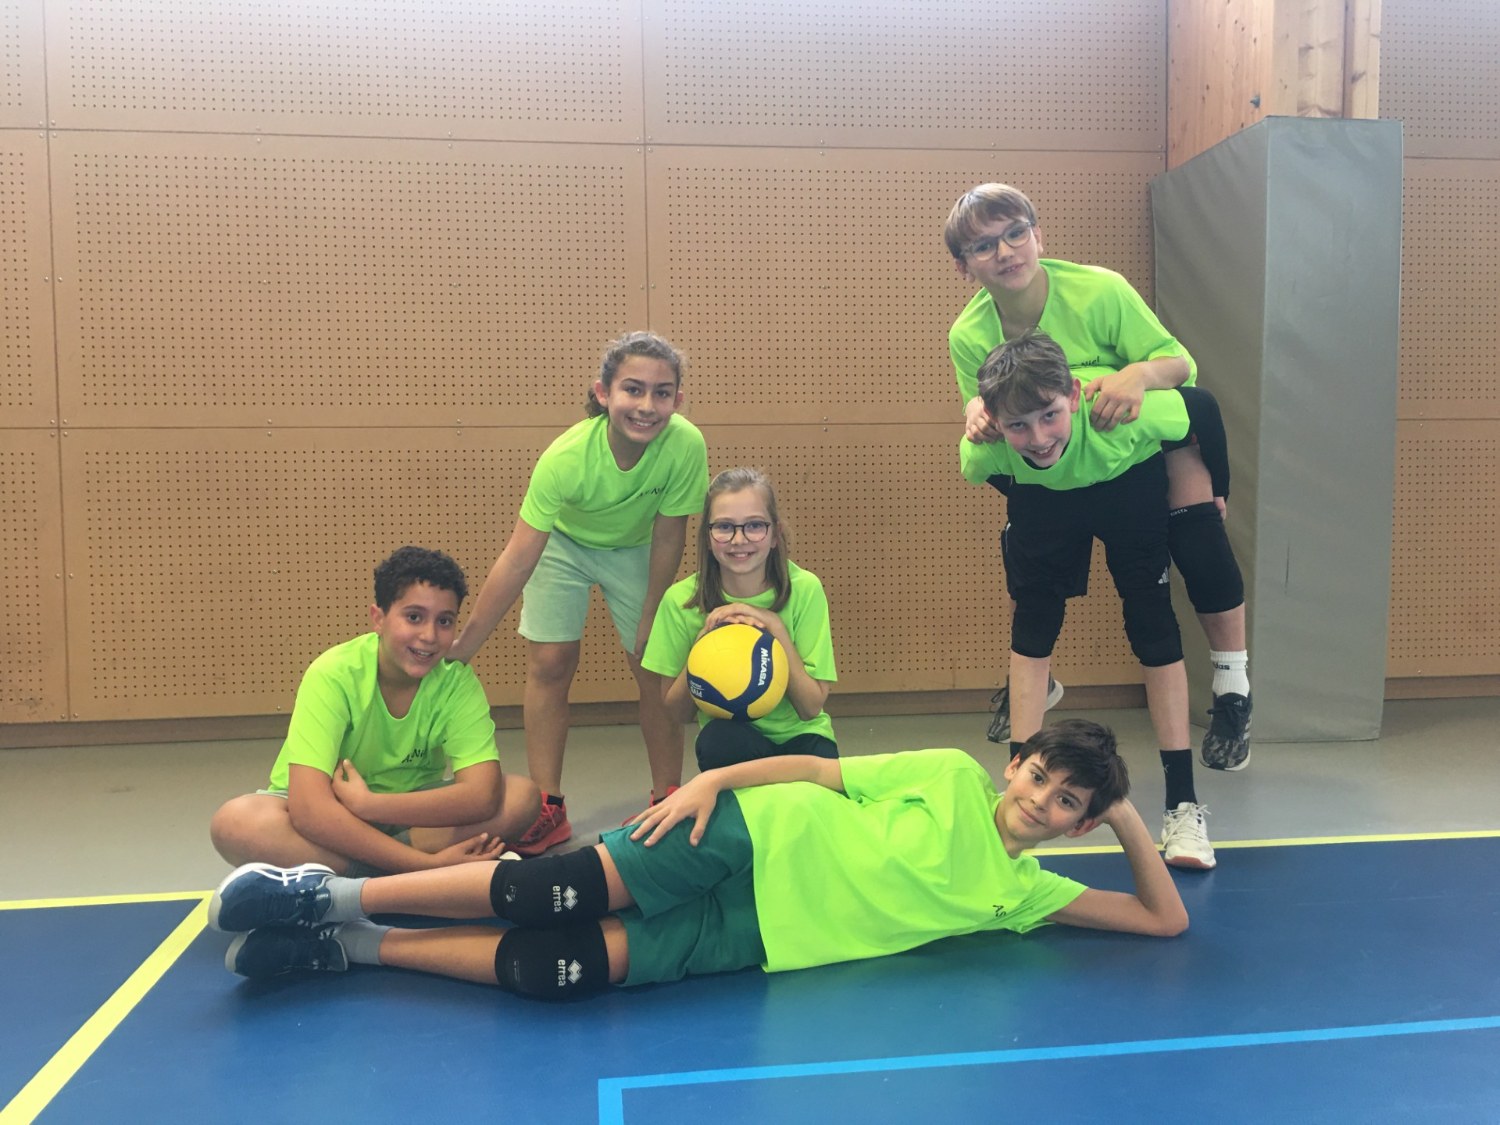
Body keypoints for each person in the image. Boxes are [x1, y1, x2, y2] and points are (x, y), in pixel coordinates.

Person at [207, 719, 1188, 997]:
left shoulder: (1024, 891)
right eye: (1040, 776)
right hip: (747, 833)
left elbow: (1161, 919)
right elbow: (817, 768)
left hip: (759, 936)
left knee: (561, 969)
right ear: (1015, 763)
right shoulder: (945, 772)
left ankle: (350, 949)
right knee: (548, 888)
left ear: (1077, 824)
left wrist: (1126, 817)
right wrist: (712, 782)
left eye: (1068, 802)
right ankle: (330, 893)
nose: (1042, 799)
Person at [945, 183, 1251, 772]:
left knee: (1198, 538)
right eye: (984, 246)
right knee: (1031, 563)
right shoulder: (968, 335)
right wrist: (976, 417)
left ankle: (1233, 685)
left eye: (1015, 234)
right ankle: (1035, 679)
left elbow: (1183, 372)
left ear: (1038, 236)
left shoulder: (1099, 290)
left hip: (1139, 437)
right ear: (964, 266)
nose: (1005, 251)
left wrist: (1138, 375)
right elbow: (994, 429)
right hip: (1064, 458)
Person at [962, 331, 1229, 869]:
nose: (1039, 436)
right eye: (1018, 425)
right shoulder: (982, 449)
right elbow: (988, 472)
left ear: (1075, 396)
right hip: (1045, 503)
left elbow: (1201, 406)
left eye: (1050, 416)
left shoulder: (1125, 415)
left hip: (1129, 488)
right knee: (1033, 629)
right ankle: (1014, 797)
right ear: (995, 421)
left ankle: (1182, 805)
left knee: (1153, 628)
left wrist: (1218, 488)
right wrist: (1040, 494)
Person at [446, 332, 709, 856]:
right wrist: (465, 645)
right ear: (603, 393)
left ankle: (667, 797)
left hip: (636, 548)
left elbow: (669, 535)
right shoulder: (566, 458)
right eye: (632, 389)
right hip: (562, 546)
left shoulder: (685, 445)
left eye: (661, 393)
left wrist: (651, 615)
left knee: (654, 667)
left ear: (677, 400)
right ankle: (548, 806)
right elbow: (519, 557)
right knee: (550, 664)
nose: (646, 405)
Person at [209, 547, 541, 876]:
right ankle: (402, 872)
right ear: (378, 619)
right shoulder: (334, 673)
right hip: (331, 813)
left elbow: (482, 796)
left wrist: (371, 805)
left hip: (407, 814)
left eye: (444, 621)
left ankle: (362, 873)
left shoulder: (456, 681)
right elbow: (309, 809)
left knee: (521, 797)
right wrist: (427, 865)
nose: (429, 636)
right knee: (236, 823)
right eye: (414, 617)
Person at [642, 467, 838, 772]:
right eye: (724, 527)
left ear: (775, 535)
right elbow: (677, 713)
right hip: (733, 739)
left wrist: (774, 627)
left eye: (755, 525)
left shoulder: (805, 589)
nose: (739, 539)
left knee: (815, 775)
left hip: (801, 738)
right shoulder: (680, 601)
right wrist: (702, 646)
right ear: (707, 537)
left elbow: (810, 708)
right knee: (716, 741)